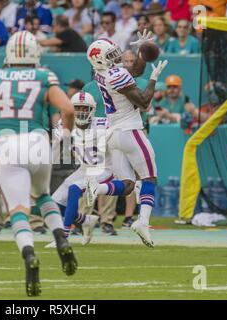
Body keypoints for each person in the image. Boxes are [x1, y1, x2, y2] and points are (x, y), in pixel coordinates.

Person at [0, 31, 77, 296]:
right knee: (44, 196)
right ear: (35, 53)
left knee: (18, 211)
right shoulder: (44, 75)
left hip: (7, 144)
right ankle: (61, 238)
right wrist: (68, 138)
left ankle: (29, 255)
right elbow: (68, 110)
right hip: (38, 142)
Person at [85, 35, 169, 248]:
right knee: (150, 178)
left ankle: (98, 188)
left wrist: (141, 52)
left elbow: (134, 72)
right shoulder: (116, 75)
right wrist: (154, 78)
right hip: (131, 131)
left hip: (114, 134)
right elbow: (143, 102)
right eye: (111, 54)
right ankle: (142, 222)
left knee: (129, 185)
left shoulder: (101, 74)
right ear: (103, 59)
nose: (117, 55)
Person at [49, 91, 114, 247]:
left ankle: (63, 236)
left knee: (74, 188)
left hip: (104, 168)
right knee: (54, 203)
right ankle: (85, 220)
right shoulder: (64, 125)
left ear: (92, 110)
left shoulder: (104, 124)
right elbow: (57, 149)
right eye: (77, 107)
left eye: (85, 108)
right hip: (84, 168)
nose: (81, 111)